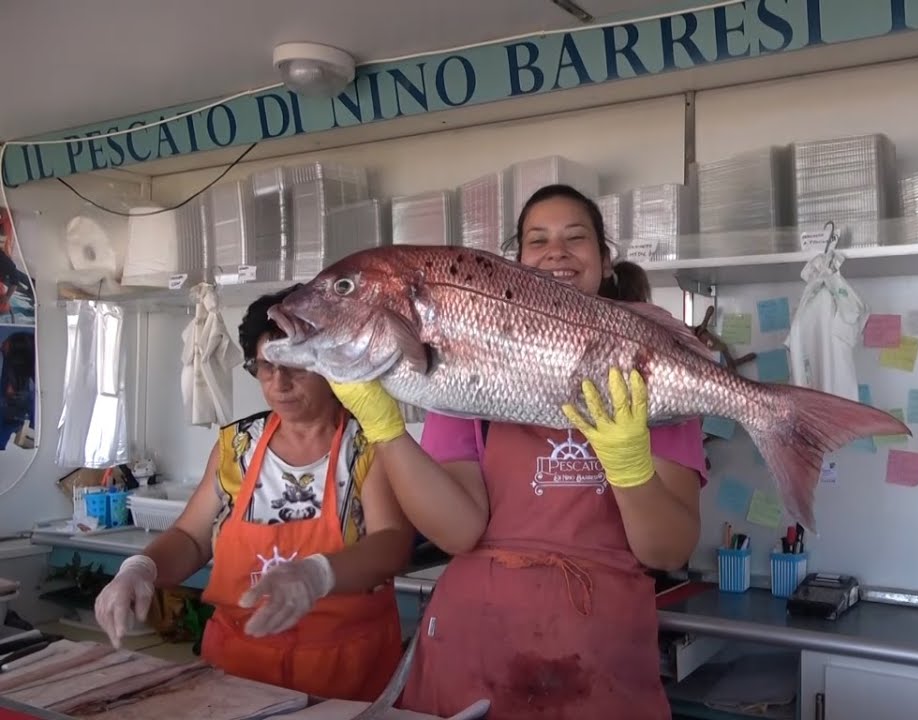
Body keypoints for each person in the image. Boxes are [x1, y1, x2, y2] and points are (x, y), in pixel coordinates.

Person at [329, 184, 709, 718]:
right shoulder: (470, 372)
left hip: (597, 662)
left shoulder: (648, 374)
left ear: (604, 261)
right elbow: (458, 531)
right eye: (538, 240)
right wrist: (385, 429)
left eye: (575, 238)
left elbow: (668, 551)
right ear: (514, 267)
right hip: (471, 651)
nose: (556, 251)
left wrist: (629, 464)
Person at [93, 285, 415, 701]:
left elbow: (392, 544)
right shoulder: (237, 447)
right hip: (236, 675)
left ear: (328, 361)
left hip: (345, 675)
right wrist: (140, 569)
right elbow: (191, 537)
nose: (279, 382)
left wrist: (319, 573)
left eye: (293, 365)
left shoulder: (370, 443)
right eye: (265, 367)